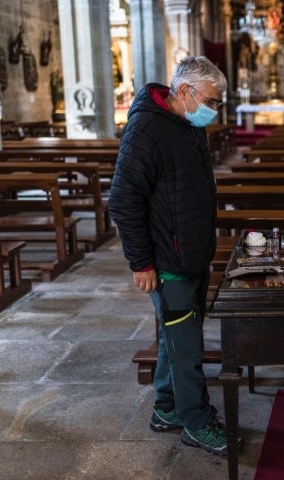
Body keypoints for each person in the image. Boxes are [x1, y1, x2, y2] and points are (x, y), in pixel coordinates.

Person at [109, 56, 231, 455]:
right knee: (188, 348)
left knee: (175, 340)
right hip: (168, 261)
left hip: (191, 255)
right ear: (184, 92)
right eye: (212, 101)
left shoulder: (186, 123)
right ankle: (196, 422)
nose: (215, 110)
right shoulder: (146, 129)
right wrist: (141, 262)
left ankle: (166, 408)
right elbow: (124, 201)